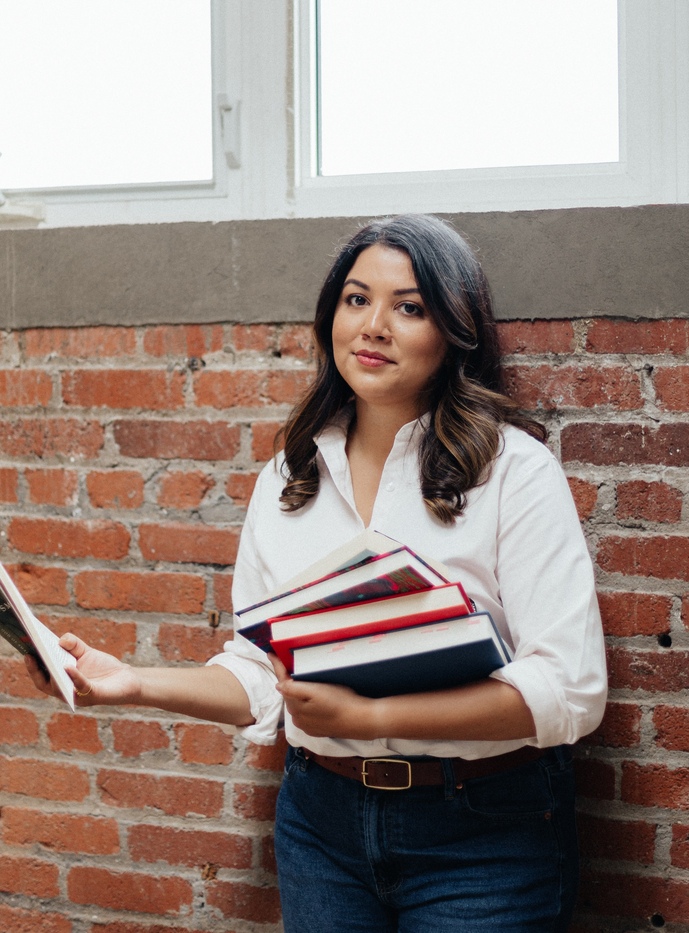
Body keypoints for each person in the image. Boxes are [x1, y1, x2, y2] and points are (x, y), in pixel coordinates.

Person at [27, 214, 607, 932]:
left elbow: (568, 688)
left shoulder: (512, 472)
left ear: (452, 331)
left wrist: (374, 717)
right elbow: (256, 670)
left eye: (409, 307)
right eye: (356, 299)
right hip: (320, 825)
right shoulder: (287, 476)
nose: (372, 326)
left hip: (482, 829)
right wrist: (133, 682)